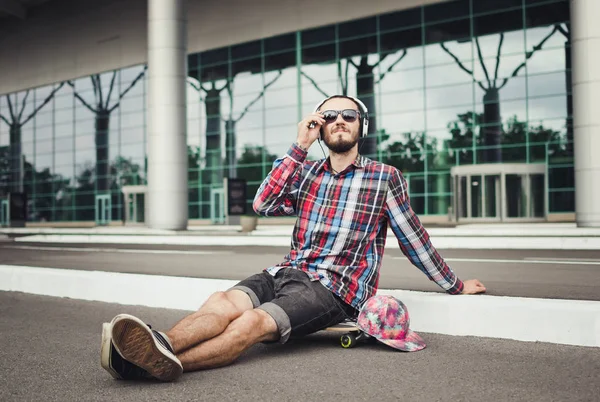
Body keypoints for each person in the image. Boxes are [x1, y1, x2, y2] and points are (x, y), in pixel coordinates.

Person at [101, 94, 486, 382]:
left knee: (250, 323)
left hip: (332, 289)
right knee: (220, 303)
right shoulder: (306, 172)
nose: (338, 120)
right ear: (319, 127)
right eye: (329, 116)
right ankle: (157, 345)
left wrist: (454, 285)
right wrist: (299, 147)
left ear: (360, 127)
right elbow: (263, 202)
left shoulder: (384, 177)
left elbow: (413, 238)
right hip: (286, 271)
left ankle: (155, 365)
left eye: (348, 115)